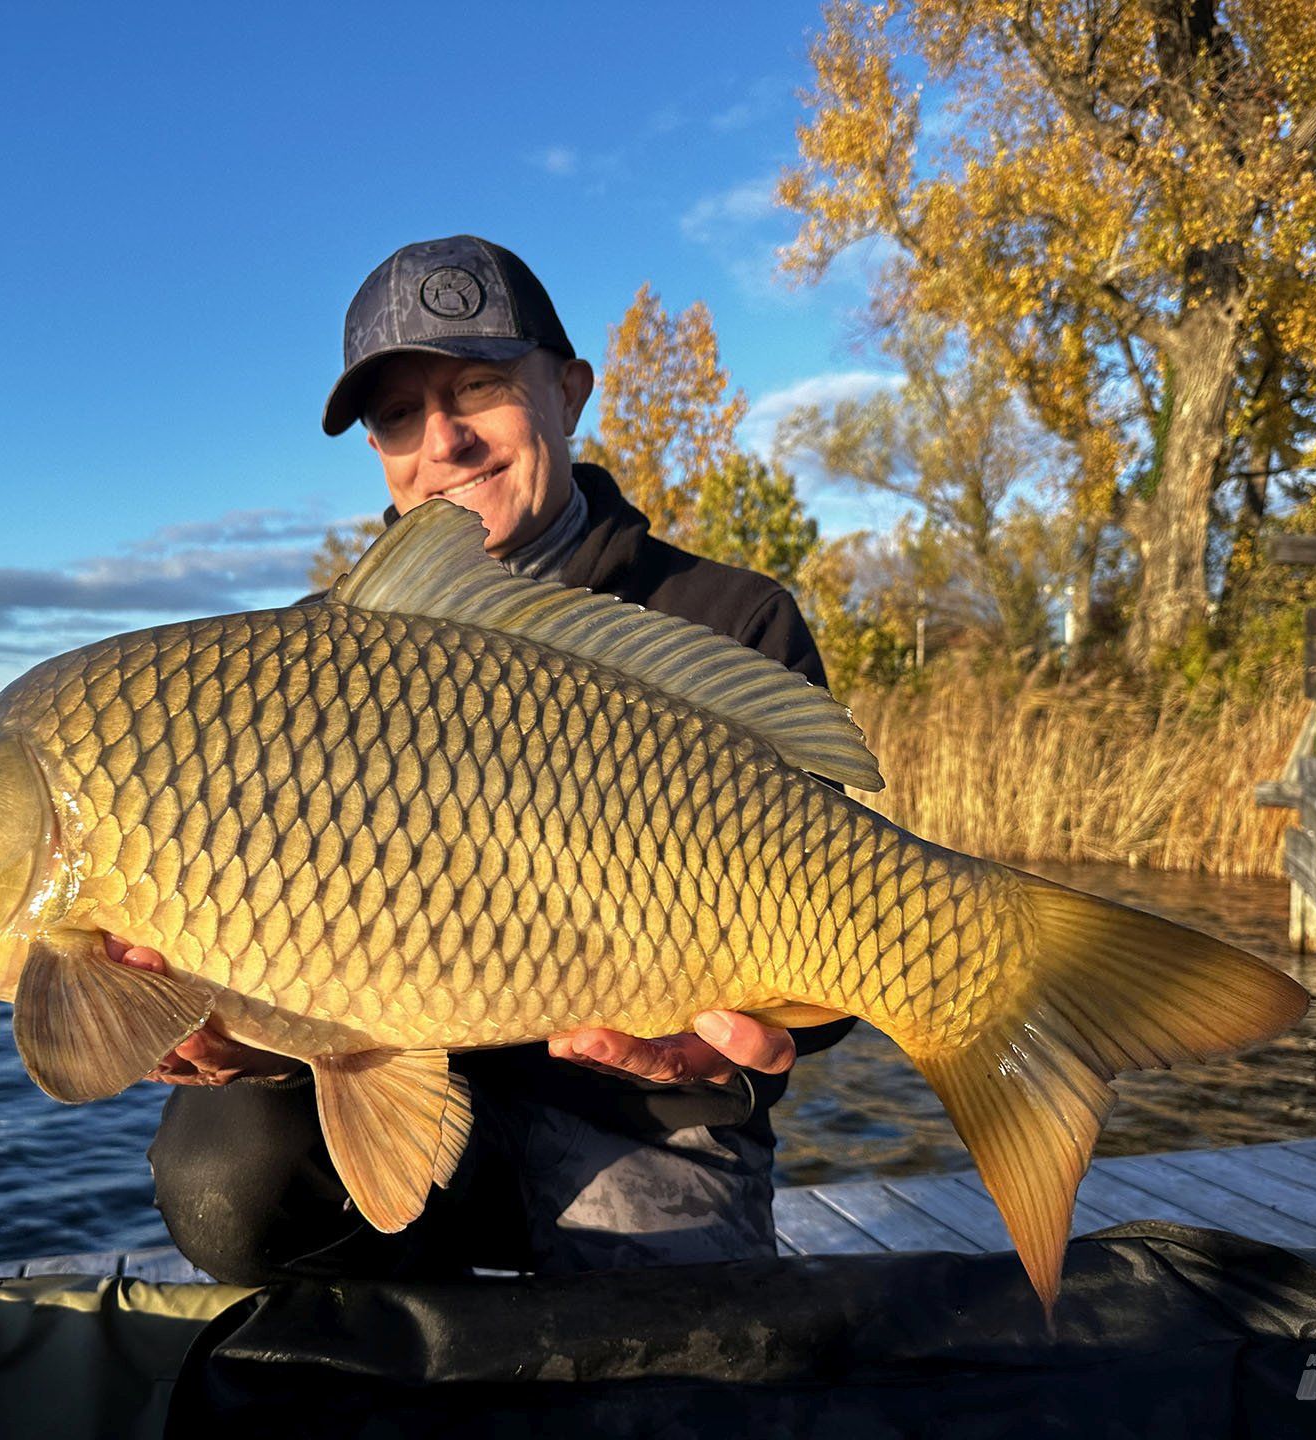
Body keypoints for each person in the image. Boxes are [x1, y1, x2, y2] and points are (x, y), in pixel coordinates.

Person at [131, 235, 854, 1282]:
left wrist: (774, 1033)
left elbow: (827, 934)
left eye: (479, 386)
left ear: (570, 391)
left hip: (641, 1112)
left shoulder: (726, 619)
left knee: (673, 1382)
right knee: (225, 1172)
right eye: (397, 416)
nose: (444, 441)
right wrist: (258, 1036)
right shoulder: (299, 662)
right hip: (403, 1104)